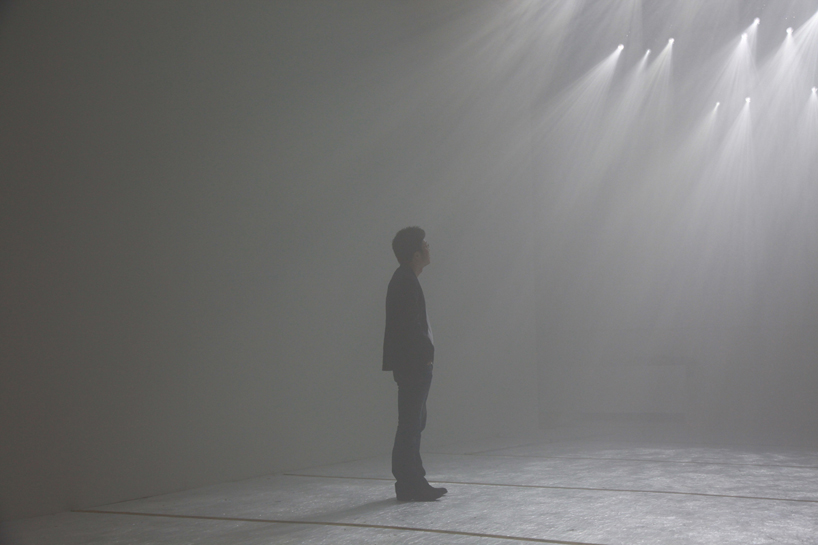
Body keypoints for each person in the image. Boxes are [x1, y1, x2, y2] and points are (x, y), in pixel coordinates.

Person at [383, 227, 447, 502]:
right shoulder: (405, 282)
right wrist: (425, 355)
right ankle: (410, 483)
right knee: (410, 424)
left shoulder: (406, 279)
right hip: (414, 365)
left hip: (413, 364)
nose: (428, 247)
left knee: (414, 422)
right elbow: (409, 328)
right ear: (416, 254)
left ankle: (413, 479)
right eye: (425, 244)